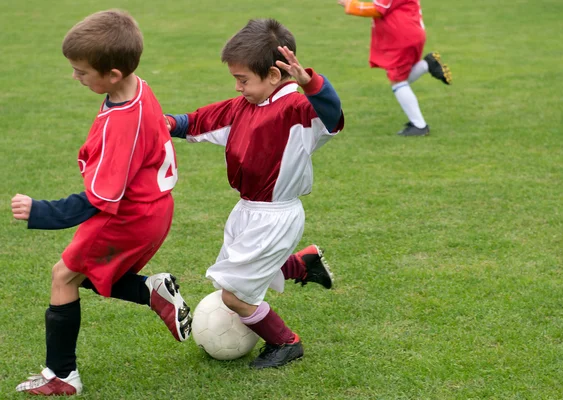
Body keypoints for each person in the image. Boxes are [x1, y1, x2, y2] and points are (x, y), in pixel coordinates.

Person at [11, 9, 192, 396]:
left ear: (112, 74)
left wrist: (42, 211)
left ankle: (62, 376)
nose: (74, 77)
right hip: (153, 209)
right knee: (90, 273)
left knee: (64, 275)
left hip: (127, 215)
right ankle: (150, 291)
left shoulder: (119, 122)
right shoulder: (137, 87)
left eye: (80, 71)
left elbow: (101, 197)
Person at [164, 18, 344, 369]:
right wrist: (163, 124)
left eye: (242, 79)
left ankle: (285, 342)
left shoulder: (298, 109)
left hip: (276, 215)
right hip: (246, 210)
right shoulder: (242, 106)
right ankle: (302, 265)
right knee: (235, 274)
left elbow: (333, 116)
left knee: (234, 295)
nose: (237, 87)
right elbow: (197, 121)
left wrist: (312, 84)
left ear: (274, 76)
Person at [337, 0, 452, 136]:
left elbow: (378, 9)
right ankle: (428, 65)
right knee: (399, 78)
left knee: (398, 81)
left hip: (403, 37)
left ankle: (419, 125)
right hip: (409, 33)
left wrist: (351, 5)